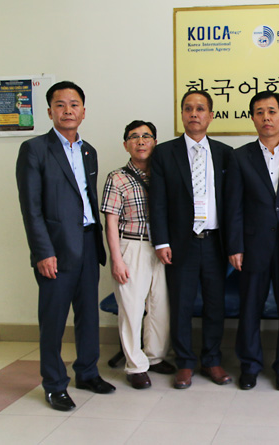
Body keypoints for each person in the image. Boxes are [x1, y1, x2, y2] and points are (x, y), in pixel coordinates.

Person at [16, 81, 115, 411]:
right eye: (60, 105)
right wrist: (42, 251)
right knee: (54, 320)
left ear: (83, 112)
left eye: (74, 104)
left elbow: (86, 198)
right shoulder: (34, 149)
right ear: (50, 112)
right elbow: (31, 208)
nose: (68, 110)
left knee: (88, 314)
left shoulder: (89, 151)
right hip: (56, 249)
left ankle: (87, 372)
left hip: (88, 242)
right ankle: (54, 384)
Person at [225, 91, 279, 391]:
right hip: (254, 245)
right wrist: (235, 245)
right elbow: (234, 205)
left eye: (272, 111)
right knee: (250, 307)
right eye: (260, 112)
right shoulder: (239, 156)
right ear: (252, 118)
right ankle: (250, 366)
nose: (266, 117)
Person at [150, 90, 233, 389]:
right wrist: (161, 241)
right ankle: (184, 362)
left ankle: (211, 360)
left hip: (214, 242)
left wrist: (234, 245)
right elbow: (157, 201)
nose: (194, 114)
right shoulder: (164, 153)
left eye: (200, 109)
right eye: (188, 108)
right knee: (181, 305)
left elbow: (232, 203)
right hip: (179, 242)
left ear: (211, 115)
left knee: (214, 305)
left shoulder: (225, 153)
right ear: (182, 114)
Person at [101, 120, 176, 390]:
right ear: (126, 145)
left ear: (155, 142)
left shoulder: (163, 174)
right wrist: (116, 259)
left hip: (161, 247)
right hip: (132, 247)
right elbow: (110, 222)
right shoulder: (116, 178)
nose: (141, 141)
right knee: (132, 309)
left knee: (161, 307)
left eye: (146, 136)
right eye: (134, 137)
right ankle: (135, 365)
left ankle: (154, 356)